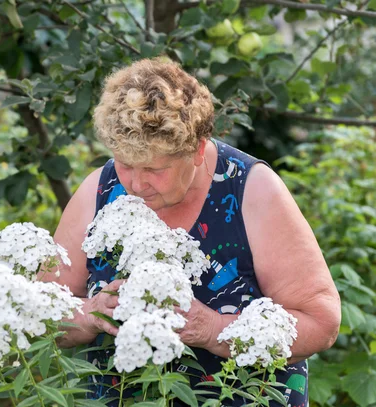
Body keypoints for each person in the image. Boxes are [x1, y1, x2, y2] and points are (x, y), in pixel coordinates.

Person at [43, 58, 341, 406]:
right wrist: (92, 312)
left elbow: (321, 322)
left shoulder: (252, 190)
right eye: (125, 163)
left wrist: (214, 329)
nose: (137, 184)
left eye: (155, 168)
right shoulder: (99, 190)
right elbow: (38, 311)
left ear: (197, 150)